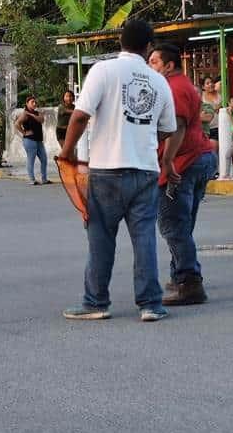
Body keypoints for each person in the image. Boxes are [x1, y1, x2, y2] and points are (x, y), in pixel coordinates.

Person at [58, 19, 178, 322]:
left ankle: (96, 302)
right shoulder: (159, 82)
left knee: (100, 238)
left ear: (120, 42)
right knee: (144, 239)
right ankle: (151, 305)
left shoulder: (103, 70)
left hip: (107, 171)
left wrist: (67, 151)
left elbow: (80, 116)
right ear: (148, 46)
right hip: (145, 172)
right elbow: (168, 130)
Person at [148, 44, 218, 306]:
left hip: (183, 161)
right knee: (182, 223)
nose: (150, 67)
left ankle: (189, 282)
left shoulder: (174, 88)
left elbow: (177, 125)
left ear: (169, 65)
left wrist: (167, 161)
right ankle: (180, 273)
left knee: (172, 225)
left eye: (154, 62)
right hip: (197, 158)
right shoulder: (182, 84)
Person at [15, 95, 48, 185]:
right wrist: (24, 132)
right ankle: (32, 179)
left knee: (44, 159)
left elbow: (41, 120)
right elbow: (17, 124)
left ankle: (44, 179)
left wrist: (31, 114)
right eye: (32, 102)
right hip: (29, 140)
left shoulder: (36, 113)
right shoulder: (24, 114)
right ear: (27, 103)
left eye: (35, 102)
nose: (34, 103)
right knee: (31, 160)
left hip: (38, 140)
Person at [200, 75, 222, 141]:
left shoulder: (220, 93)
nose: (211, 84)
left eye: (212, 82)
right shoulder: (201, 96)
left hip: (220, 126)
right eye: (207, 83)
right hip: (207, 129)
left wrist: (221, 107)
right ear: (203, 87)